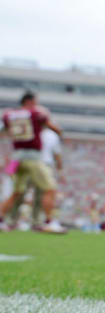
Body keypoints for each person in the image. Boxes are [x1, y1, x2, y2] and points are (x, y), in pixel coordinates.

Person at [0, 91, 65, 233]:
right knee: (50, 188)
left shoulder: (9, 114)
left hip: (15, 158)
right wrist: (58, 130)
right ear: (29, 101)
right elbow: (55, 129)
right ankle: (49, 221)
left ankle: (2, 220)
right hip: (33, 158)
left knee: (14, 191)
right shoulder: (36, 113)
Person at [8, 127, 63, 228]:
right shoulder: (28, 131)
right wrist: (11, 169)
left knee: (41, 195)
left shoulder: (52, 135)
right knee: (19, 192)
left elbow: (57, 154)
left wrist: (60, 170)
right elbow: (18, 151)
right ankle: (11, 220)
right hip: (29, 163)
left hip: (44, 165)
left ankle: (36, 222)